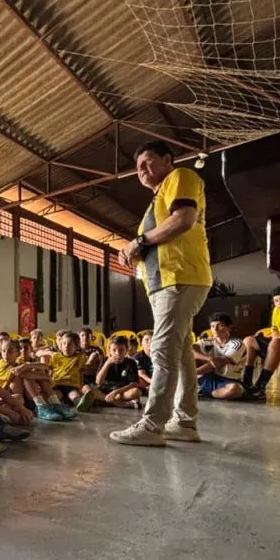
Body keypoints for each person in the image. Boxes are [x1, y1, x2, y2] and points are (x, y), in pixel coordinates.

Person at [111, 140, 212, 447]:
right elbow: (155, 240)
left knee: (162, 349)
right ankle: (184, 422)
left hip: (180, 278)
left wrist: (138, 242)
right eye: (138, 167)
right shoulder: (155, 202)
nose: (142, 171)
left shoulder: (180, 177)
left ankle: (153, 425)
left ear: (168, 160)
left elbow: (183, 220)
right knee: (180, 356)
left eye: (148, 162)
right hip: (164, 284)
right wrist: (131, 252)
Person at [194, 314, 245, 401]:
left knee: (235, 389)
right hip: (206, 377)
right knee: (190, 356)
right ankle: (199, 388)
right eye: (212, 326)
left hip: (226, 380)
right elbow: (191, 350)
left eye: (220, 325)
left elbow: (217, 364)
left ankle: (204, 391)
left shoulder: (237, 344)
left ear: (229, 328)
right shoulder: (207, 341)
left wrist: (191, 374)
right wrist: (208, 358)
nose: (215, 329)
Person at [81, 336, 142, 410]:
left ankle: (103, 401)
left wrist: (116, 392)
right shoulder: (104, 360)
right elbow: (98, 382)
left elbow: (134, 383)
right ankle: (118, 403)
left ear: (126, 350)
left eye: (121, 350)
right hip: (103, 391)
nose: (117, 353)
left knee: (136, 392)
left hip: (120, 392)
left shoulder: (131, 363)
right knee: (85, 388)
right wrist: (107, 364)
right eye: (114, 350)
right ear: (109, 351)